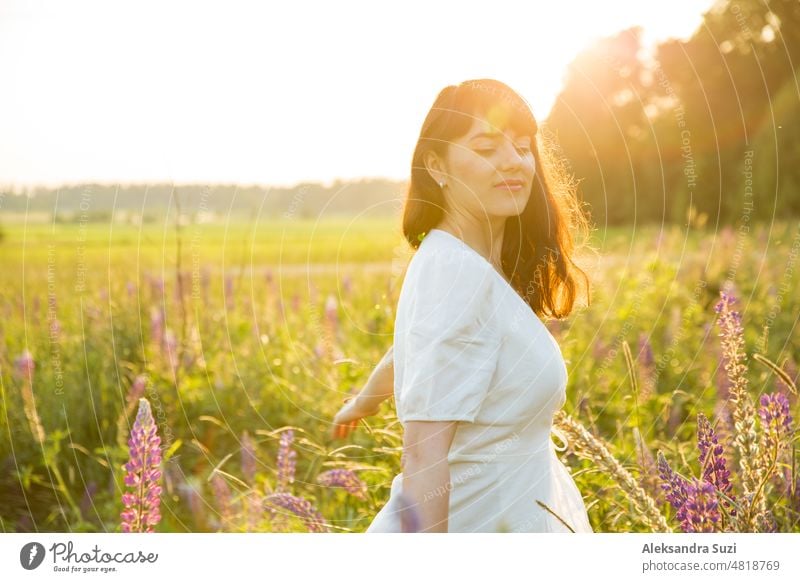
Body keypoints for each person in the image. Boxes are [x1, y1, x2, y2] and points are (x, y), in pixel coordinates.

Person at [331, 78, 594, 533]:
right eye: (487, 147)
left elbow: (422, 348)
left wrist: (365, 400)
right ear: (437, 164)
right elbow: (422, 453)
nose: (514, 161)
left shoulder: (468, 259)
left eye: (523, 146)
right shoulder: (455, 272)